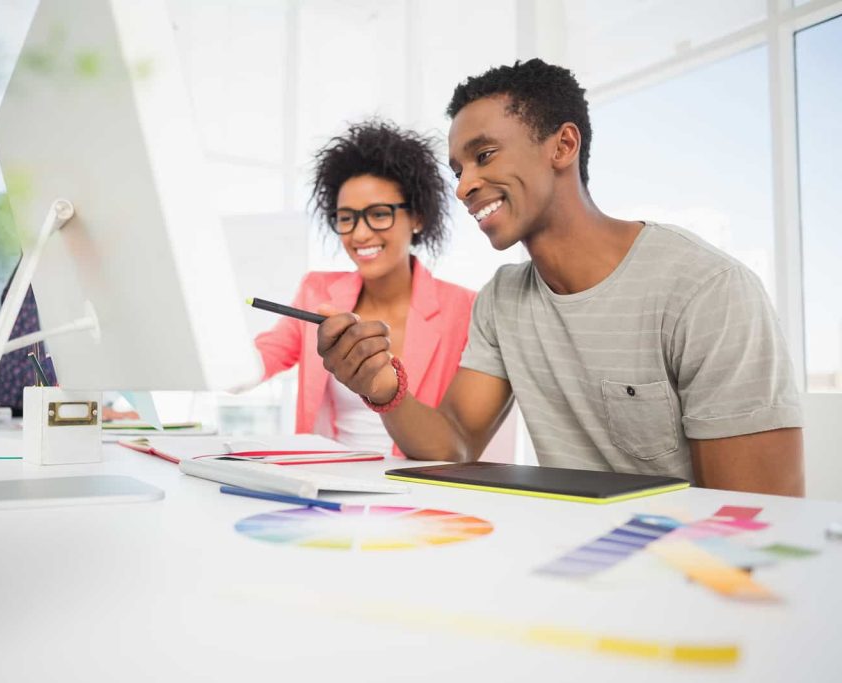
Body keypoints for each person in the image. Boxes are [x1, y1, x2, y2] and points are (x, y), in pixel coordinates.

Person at [315, 59, 804, 495]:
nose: (464, 186)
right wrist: (383, 387)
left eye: (484, 155)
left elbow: (753, 516)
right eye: (458, 168)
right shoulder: (502, 301)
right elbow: (456, 443)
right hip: (573, 563)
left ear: (564, 145)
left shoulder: (706, 291)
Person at [254, 120, 475, 457]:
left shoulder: (464, 308)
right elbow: (261, 357)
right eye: (346, 218)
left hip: (418, 489)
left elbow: (464, 436)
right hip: (325, 480)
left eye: (379, 214)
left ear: (416, 217)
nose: (359, 235)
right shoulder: (317, 293)